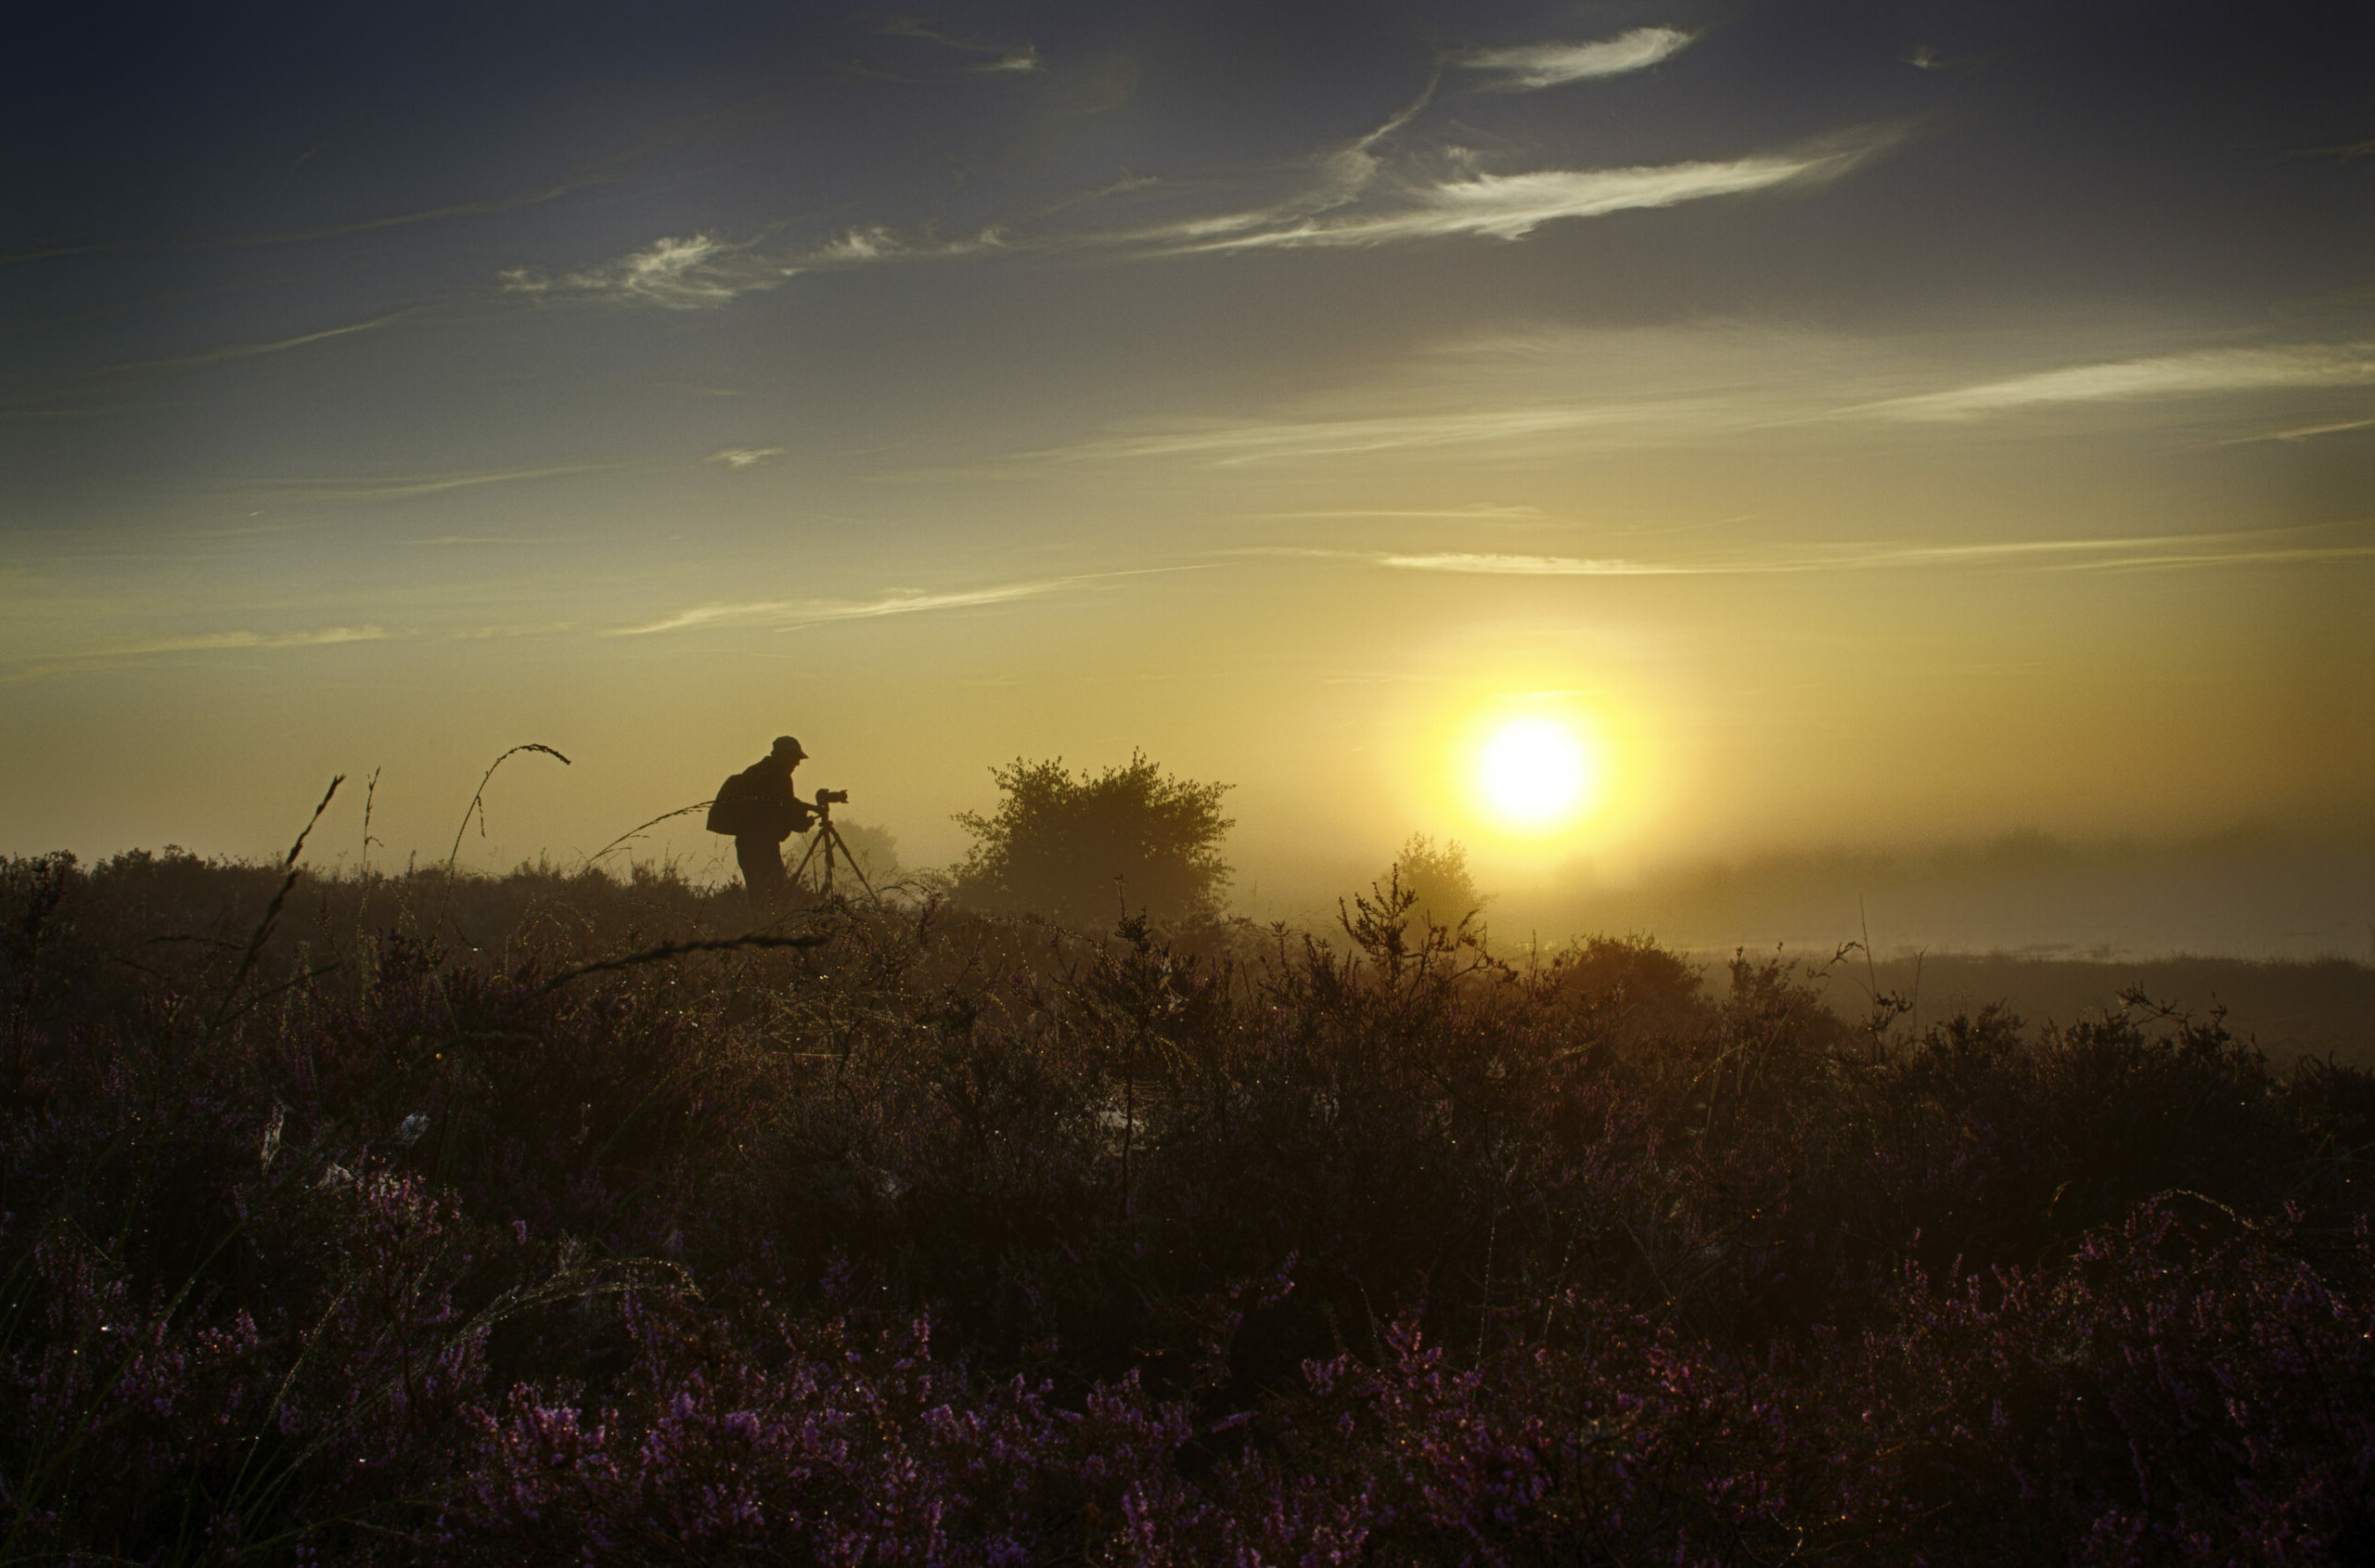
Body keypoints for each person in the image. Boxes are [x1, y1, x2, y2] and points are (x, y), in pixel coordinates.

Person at [711, 735, 818, 905]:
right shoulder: (780, 777)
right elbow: (784, 811)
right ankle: (771, 928)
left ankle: (757, 926)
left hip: (746, 844)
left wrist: (806, 809)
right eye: (795, 759)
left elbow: (777, 804)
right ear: (784, 756)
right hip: (764, 847)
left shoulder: (755, 772)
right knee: (776, 896)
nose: (797, 764)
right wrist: (803, 823)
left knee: (757, 895)